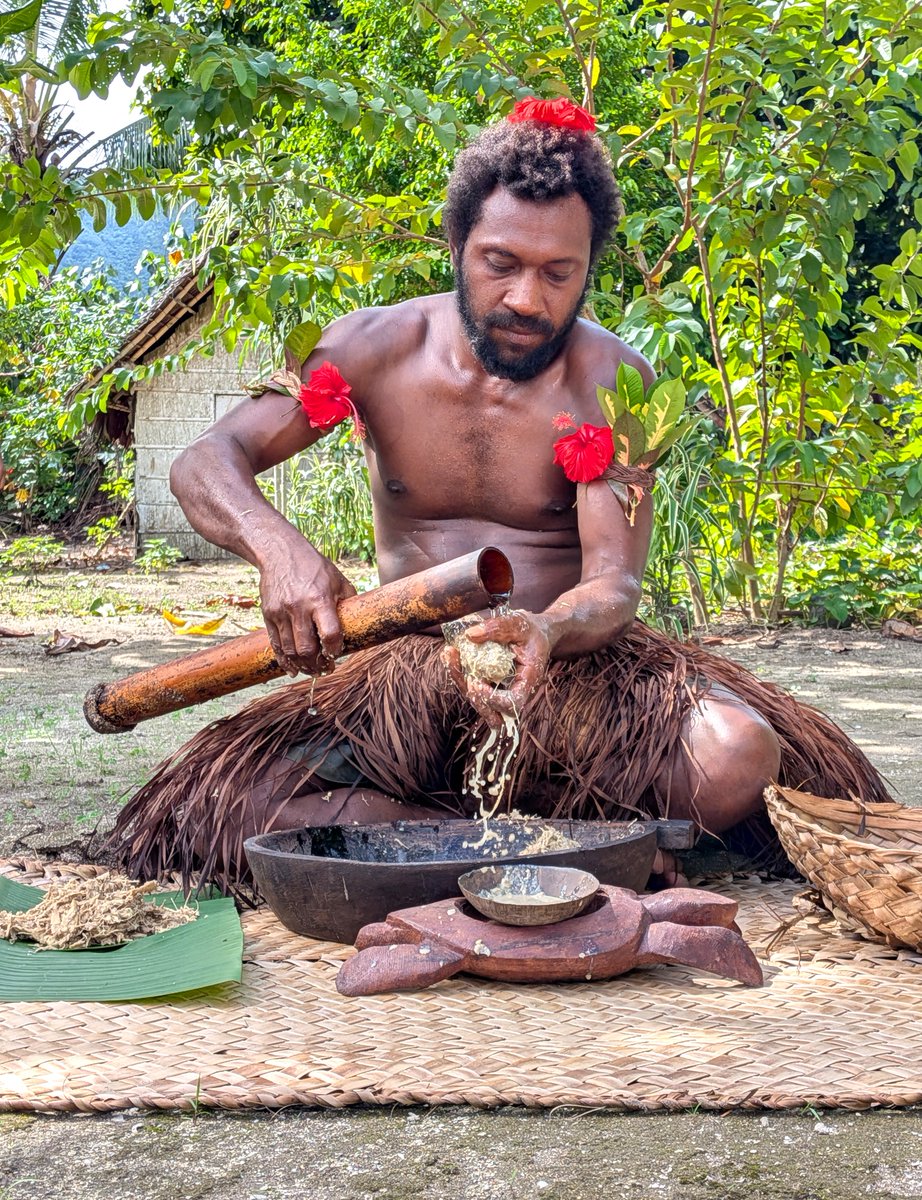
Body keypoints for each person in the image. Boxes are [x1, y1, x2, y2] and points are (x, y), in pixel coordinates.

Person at [112, 98, 888, 892]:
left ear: (592, 268)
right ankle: (565, 846)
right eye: (500, 263)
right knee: (240, 801)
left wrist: (547, 631)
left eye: (560, 273)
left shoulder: (612, 382)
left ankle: (447, 840)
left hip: (570, 678)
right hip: (403, 677)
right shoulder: (367, 349)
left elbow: (614, 584)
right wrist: (281, 553)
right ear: (457, 245)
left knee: (735, 755)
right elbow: (206, 462)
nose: (527, 299)